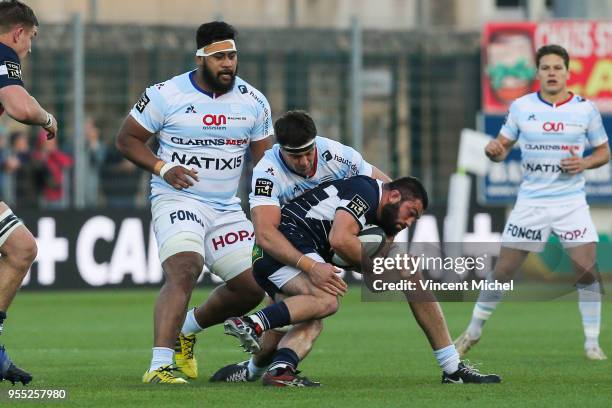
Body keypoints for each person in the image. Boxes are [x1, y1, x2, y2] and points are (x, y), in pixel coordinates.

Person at [224, 175, 501, 386]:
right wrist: (384, 266)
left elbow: (372, 279)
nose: (410, 222)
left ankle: (271, 371)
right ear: (393, 196)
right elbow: (339, 239)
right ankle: (251, 323)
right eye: (411, 212)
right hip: (286, 247)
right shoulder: (367, 191)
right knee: (327, 300)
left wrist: (386, 269)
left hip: (292, 252)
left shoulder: (383, 222)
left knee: (311, 318)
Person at [115, 21, 273, 384]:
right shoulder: (165, 94)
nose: (228, 64)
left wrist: (264, 210)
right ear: (201, 58)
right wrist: (162, 166)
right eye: (219, 57)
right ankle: (159, 367)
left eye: (232, 55)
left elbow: (265, 165)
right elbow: (126, 140)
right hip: (176, 197)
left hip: (226, 207)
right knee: (185, 267)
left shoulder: (254, 102)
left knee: (253, 286)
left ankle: (185, 329)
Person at [180, 109, 389, 380]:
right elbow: (266, 234)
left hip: (313, 249)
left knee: (292, 327)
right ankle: (258, 342)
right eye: (295, 155)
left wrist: (382, 230)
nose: (303, 162)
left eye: (308, 153)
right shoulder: (267, 172)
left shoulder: (336, 155)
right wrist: (311, 266)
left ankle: (252, 371)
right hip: (279, 253)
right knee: (322, 303)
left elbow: (387, 191)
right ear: (281, 150)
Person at [455, 44, 610, 361]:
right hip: (531, 203)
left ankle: (592, 342)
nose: (552, 73)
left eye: (557, 67)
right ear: (538, 73)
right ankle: (473, 331)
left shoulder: (585, 109)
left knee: (587, 271)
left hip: (571, 202)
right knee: (503, 271)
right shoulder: (522, 107)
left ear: (568, 72)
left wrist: (584, 163)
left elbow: (603, 151)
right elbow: (500, 146)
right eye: (546, 68)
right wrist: (493, 152)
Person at [0, 0, 57, 385]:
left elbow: (22, 98)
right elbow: (20, 106)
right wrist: (49, 120)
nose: (30, 47)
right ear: (18, 33)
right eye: (31, 38)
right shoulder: (3, 54)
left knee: (21, 247)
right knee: (22, 248)